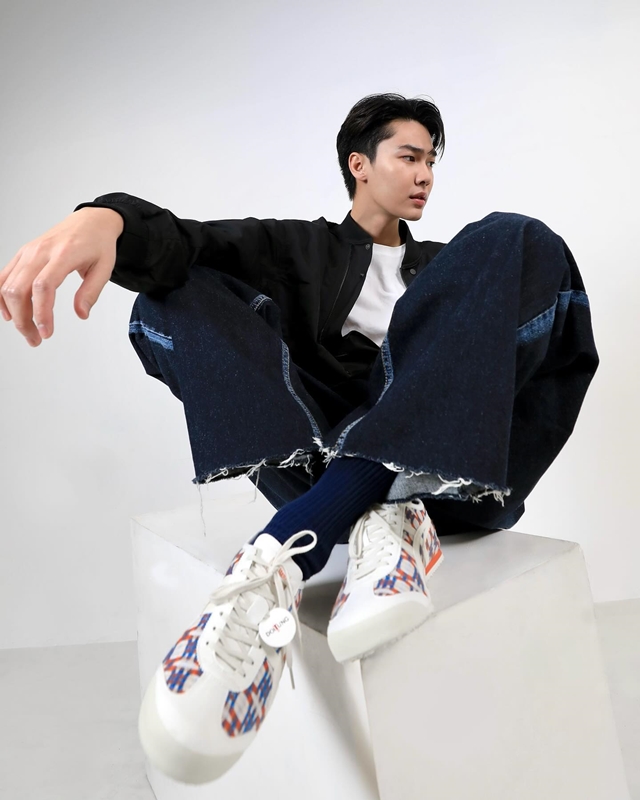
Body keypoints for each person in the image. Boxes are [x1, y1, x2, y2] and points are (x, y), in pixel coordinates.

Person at [0, 93, 599, 785]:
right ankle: (365, 515)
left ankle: (283, 555)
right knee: (173, 290)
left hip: (454, 480)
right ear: (359, 165)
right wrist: (104, 217)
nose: (426, 175)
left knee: (517, 235)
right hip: (311, 459)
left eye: (432, 161)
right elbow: (184, 245)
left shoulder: (455, 266)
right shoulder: (296, 250)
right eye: (409, 156)